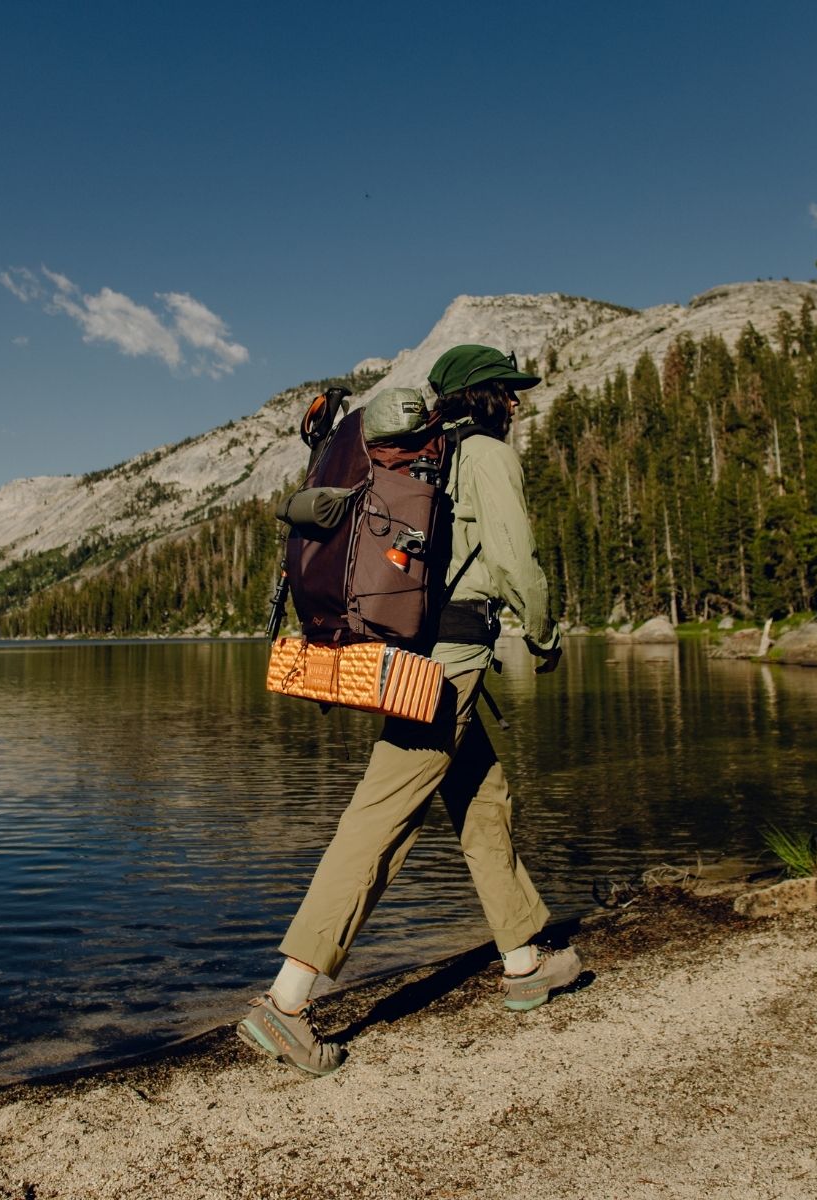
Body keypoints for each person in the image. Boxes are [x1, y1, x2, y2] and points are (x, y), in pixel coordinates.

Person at [237, 344, 581, 1076]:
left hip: (422, 659)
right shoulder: (486, 453)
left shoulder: (431, 457)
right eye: (508, 394)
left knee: (484, 800)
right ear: (484, 398)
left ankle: (523, 962)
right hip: (450, 665)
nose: (517, 404)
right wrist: (546, 633)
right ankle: (286, 1002)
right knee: (380, 821)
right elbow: (517, 562)